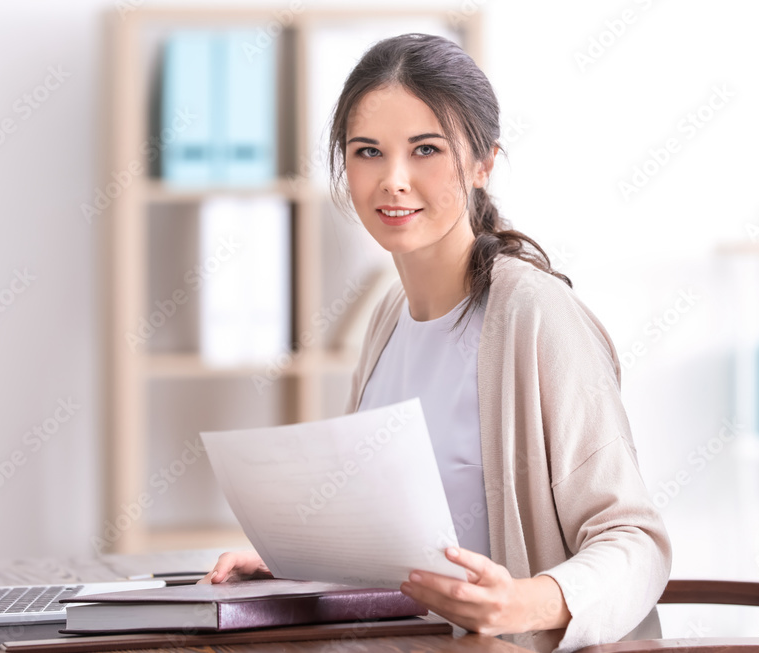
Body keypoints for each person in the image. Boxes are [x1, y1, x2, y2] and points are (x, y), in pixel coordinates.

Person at [199, 33, 671, 653]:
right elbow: (394, 539)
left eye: (425, 149)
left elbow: (637, 543)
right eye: (368, 152)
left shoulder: (536, 316)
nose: (393, 181)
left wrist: (522, 602)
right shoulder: (388, 316)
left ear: (483, 163)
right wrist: (300, 565)